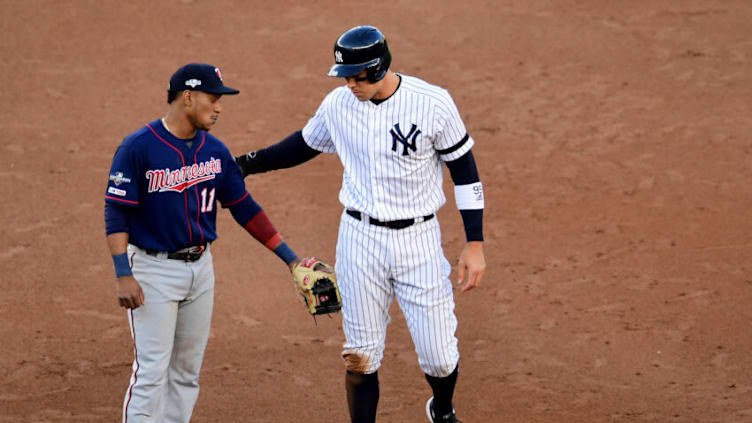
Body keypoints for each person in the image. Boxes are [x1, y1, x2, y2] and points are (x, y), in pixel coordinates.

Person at [235, 26, 486, 423]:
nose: (351, 85)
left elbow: (466, 172)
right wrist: (246, 164)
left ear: (380, 66)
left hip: (418, 239)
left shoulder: (433, 103)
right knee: (361, 355)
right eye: (345, 77)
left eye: (358, 77)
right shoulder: (339, 104)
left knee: (439, 357)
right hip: (360, 238)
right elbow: (303, 144)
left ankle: (441, 407)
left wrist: (475, 243)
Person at [104, 63, 303, 422]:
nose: (219, 107)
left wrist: (290, 259)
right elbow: (117, 212)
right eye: (213, 99)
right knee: (151, 373)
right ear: (188, 97)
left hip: (201, 270)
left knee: (185, 374)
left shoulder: (215, 151)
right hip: (152, 272)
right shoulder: (138, 148)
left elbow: (244, 207)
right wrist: (123, 273)